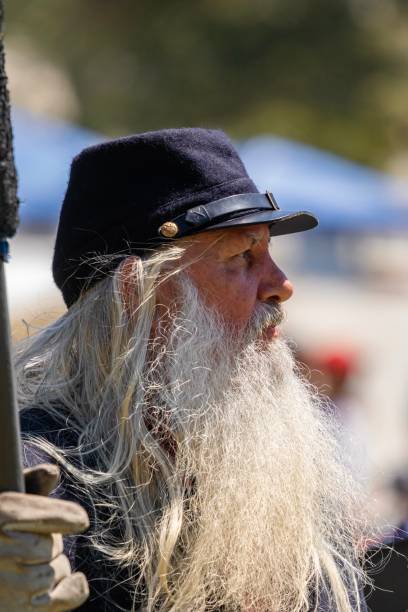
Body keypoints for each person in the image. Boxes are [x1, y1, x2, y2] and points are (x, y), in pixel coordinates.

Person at [0, 129, 368, 611]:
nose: (281, 285)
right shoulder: (35, 475)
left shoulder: (273, 478)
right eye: (242, 255)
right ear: (138, 295)